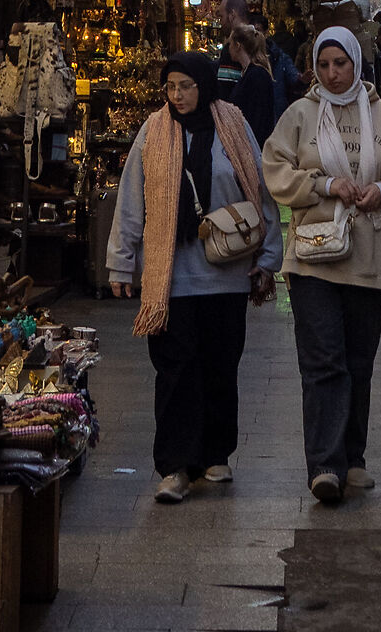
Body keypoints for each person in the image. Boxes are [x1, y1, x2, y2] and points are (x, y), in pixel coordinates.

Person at [107, 52, 281, 503]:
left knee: (220, 365)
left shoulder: (233, 124)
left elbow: (258, 190)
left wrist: (269, 257)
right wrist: (121, 261)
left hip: (226, 276)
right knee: (175, 370)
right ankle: (175, 466)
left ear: (204, 85)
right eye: (171, 87)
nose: (178, 95)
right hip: (171, 278)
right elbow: (132, 199)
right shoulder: (154, 130)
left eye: (186, 86)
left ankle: (214, 454)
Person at [263, 24, 381, 504]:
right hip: (312, 259)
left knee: (358, 363)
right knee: (323, 360)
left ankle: (354, 458)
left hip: (369, 257)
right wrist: (324, 186)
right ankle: (325, 464)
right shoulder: (300, 116)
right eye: (323, 65)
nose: (331, 74)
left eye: (340, 64)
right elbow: (276, 170)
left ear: (356, 63)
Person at [224, 22, 278, 143]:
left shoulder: (257, 75)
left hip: (254, 143)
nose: (229, 48)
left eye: (230, 44)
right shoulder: (249, 73)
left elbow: (258, 117)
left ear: (238, 46)